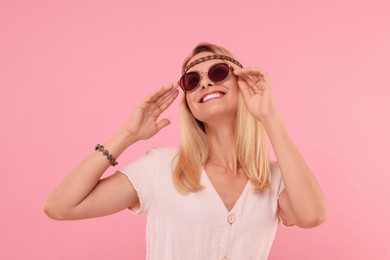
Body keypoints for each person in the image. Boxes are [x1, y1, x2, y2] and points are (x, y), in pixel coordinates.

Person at [44, 42, 327, 259]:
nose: (205, 82)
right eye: (192, 81)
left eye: (218, 73)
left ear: (242, 86)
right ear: (189, 104)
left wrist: (269, 117)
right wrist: (128, 134)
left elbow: (312, 215)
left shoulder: (273, 179)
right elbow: (61, 206)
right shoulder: (160, 169)